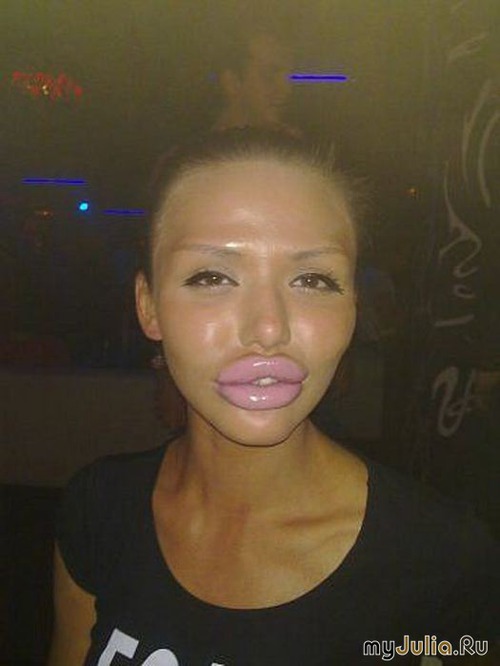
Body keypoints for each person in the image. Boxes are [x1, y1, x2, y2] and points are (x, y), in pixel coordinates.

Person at [48, 128, 499, 665]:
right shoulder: (99, 510)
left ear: (354, 306)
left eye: (313, 280)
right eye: (212, 276)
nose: (268, 328)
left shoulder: (441, 559)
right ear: (148, 307)